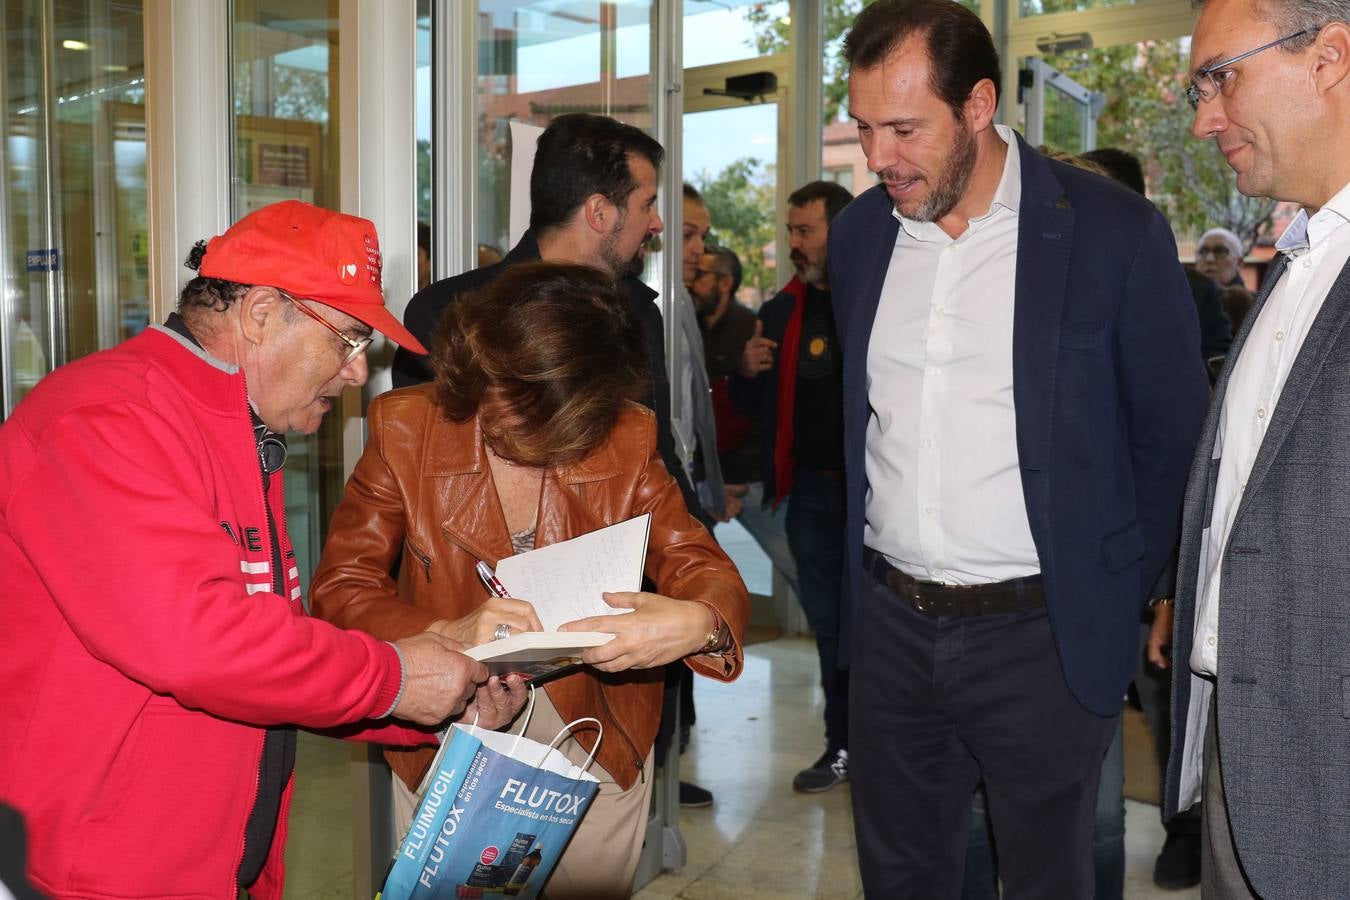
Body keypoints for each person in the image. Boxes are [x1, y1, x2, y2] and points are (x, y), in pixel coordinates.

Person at [0, 200, 524, 898]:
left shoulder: (238, 434)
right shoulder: (105, 419)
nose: (355, 372)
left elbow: (268, 656)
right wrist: (395, 676)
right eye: (347, 340)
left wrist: (429, 703)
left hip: (217, 864)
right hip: (92, 873)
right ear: (261, 312)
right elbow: (200, 644)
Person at [830, 2, 1209, 896]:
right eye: (864, 128)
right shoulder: (859, 239)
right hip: (891, 630)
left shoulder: (1113, 234)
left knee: (1049, 878)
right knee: (903, 877)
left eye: (903, 129)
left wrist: (1123, 595)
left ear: (978, 106)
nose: (878, 157)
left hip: (1042, 636)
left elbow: (1173, 439)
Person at [309, 261, 749, 900]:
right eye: (496, 390)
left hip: (595, 731)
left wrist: (699, 624)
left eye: (539, 406)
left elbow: (701, 566)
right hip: (454, 727)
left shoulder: (624, 436)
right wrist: (443, 629)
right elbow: (341, 588)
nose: (504, 416)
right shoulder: (407, 429)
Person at [1166, 1, 1350, 896]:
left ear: (1329, 58)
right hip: (1244, 758)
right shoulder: (1300, 252)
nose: (1205, 118)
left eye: (1220, 76)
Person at [735, 179, 854, 793]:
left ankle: (890, 748)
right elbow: (758, 408)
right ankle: (843, 747)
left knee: (881, 629)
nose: (794, 245)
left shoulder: (879, 297)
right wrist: (747, 372)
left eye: (805, 231)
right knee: (831, 627)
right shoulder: (782, 310)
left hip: (876, 500)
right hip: (810, 495)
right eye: (791, 232)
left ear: (842, 229)